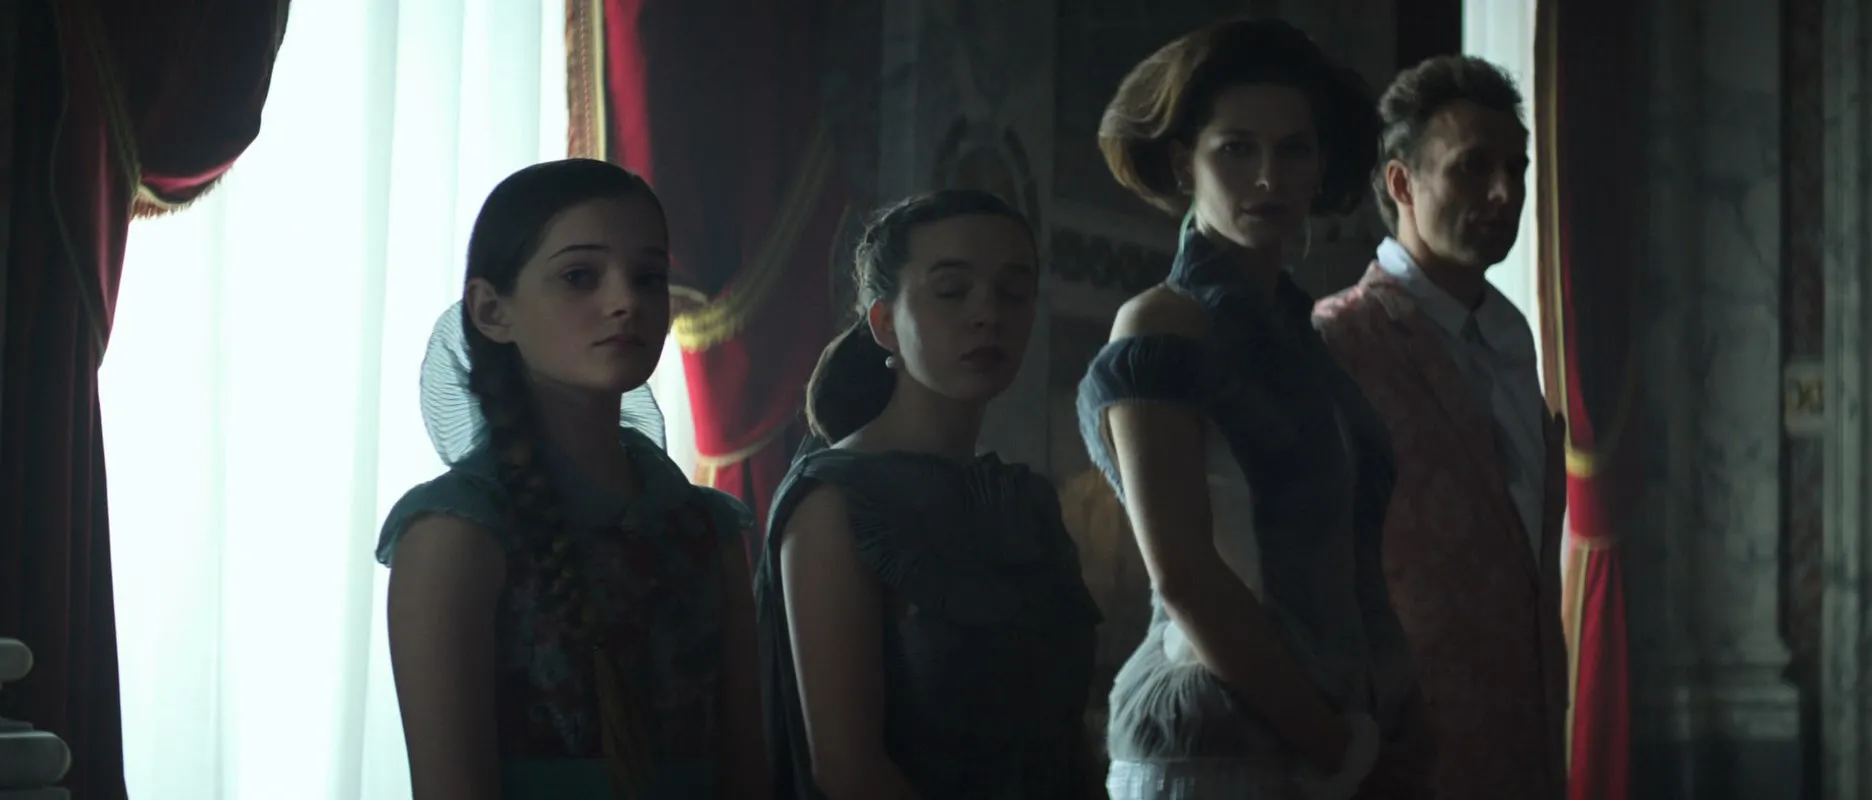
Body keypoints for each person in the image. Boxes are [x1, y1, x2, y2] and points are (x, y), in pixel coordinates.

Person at [1078, 18, 1437, 799]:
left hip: (1342, 740)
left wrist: (1390, 715)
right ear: (1185, 163)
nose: (1269, 177)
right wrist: (1343, 751)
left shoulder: (1310, 346)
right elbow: (1184, 577)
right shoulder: (1162, 323)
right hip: (1214, 752)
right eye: (1236, 149)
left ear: (1320, 168)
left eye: (1293, 150)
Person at [378, 159, 766, 799]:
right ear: (492, 311)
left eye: (649, 278)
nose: (625, 302)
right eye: (579, 276)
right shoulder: (457, 533)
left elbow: (746, 774)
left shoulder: (706, 527)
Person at [757, 189, 1106, 799]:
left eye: (1013, 292)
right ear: (885, 323)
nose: (988, 314)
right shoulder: (834, 502)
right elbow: (848, 770)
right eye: (951, 291)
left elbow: (1068, 735)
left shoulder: (1025, 502)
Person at [1312, 55, 1568, 800]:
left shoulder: (1514, 338)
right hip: (1402, 743)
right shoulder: (1340, 336)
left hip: (1524, 733)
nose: (1505, 192)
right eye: (1473, 167)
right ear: (1402, 184)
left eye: (1516, 169)